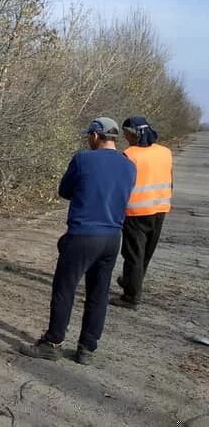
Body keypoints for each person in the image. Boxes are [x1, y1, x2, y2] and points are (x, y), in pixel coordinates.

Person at [21, 117, 136, 365]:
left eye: (89, 136)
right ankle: (87, 349)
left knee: (65, 288)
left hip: (83, 234)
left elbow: (65, 191)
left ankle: (53, 343)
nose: (88, 139)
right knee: (98, 293)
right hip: (112, 236)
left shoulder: (83, 159)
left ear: (96, 136)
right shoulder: (129, 165)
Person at [111, 116, 172, 310]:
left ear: (133, 134)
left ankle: (131, 297)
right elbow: (170, 179)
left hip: (136, 211)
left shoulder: (130, 154)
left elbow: (121, 184)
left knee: (133, 254)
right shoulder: (165, 152)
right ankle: (131, 281)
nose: (125, 137)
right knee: (145, 253)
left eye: (126, 133)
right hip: (160, 208)